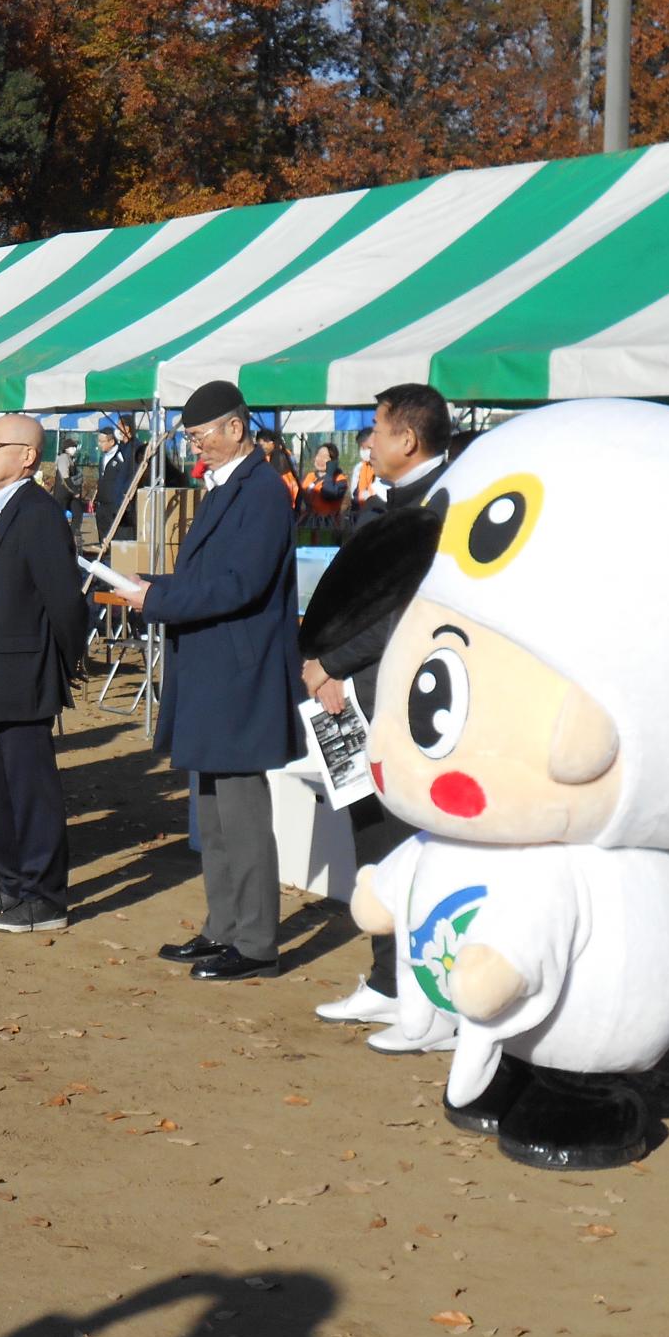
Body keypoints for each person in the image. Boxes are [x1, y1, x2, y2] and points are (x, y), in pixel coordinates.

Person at [122, 381, 301, 980]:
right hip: (213, 667)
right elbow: (210, 577)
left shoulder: (263, 492)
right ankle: (222, 928)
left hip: (239, 672)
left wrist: (158, 599)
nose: (196, 445)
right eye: (192, 436)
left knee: (242, 816)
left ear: (236, 427)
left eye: (201, 435)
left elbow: (238, 584)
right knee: (213, 812)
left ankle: (255, 944)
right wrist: (152, 589)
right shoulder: (231, 486)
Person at [302, 382, 452, 1046]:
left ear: (406, 440)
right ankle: (387, 979)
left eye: (376, 429)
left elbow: (404, 614)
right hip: (351, 694)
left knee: (407, 843)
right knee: (368, 830)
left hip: (402, 701)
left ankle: (427, 994)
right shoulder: (387, 501)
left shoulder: (443, 501)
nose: (367, 441)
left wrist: (332, 664)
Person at [0, 413, 89, 933]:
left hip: (22, 669)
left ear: (26, 457)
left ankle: (44, 895)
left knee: (30, 789)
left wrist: (66, 662)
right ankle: (10, 883)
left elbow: (63, 600)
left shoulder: (38, 512)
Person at [92, 421, 137, 545]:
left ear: (111, 442)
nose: (99, 444)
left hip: (115, 505)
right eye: (99, 441)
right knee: (103, 539)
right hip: (102, 506)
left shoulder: (122, 455)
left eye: (102, 441)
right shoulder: (103, 458)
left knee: (116, 538)